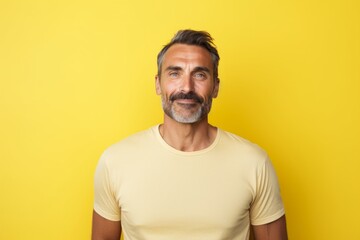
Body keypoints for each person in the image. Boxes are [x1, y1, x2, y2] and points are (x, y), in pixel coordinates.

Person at [92, 29, 288, 240]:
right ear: (158, 84)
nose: (187, 87)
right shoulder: (115, 161)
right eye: (175, 73)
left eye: (200, 74)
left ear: (215, 87)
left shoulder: (254, 162)